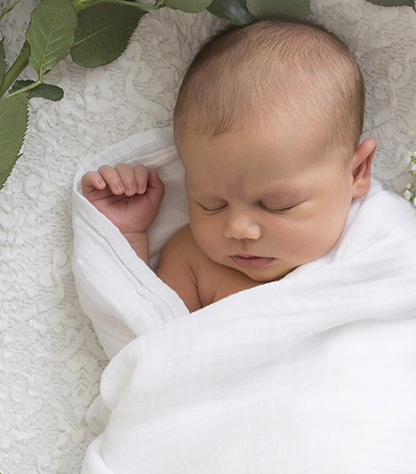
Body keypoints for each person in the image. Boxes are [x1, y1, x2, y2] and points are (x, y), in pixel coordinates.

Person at [80, 18, 378, 313]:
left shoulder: (378, 238)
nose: (239, 229)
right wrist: (127, 236)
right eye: (211, 204)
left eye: (276, 205)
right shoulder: (193, 259)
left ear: (356, 173)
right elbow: (146, 333)